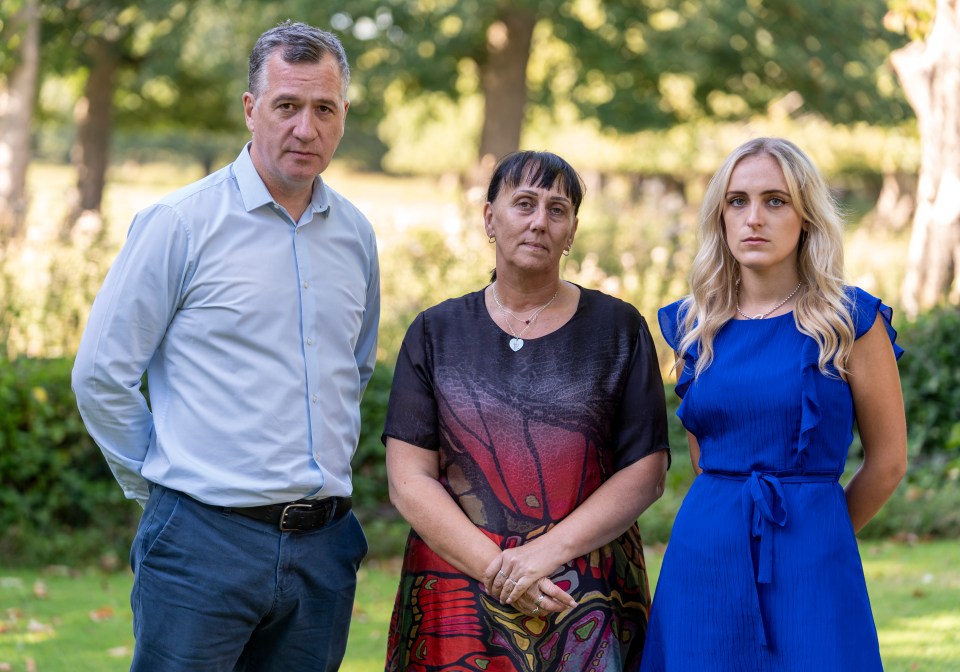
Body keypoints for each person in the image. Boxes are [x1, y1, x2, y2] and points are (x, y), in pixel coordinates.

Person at [71, 21, 379, 671]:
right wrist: (164, 490)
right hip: (199, 545)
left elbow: (355, 367)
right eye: (286, 106)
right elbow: (101, 375)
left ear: (344, 114)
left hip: (324, 552)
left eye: (324, 108)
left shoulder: (356, 235)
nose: (306, 128)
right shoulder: (179, 223)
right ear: (250, 110)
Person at [382, 150, 671, 671]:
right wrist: (498, 568)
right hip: (457, 594)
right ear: (490, 218)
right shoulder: (434, 333)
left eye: (557, 209)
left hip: (586, 596)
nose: (540, 221)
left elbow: (646, 472)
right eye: (524, 204)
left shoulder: (619, 330)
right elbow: (409, 481)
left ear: (572, 231)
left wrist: (542, 556)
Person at [639, 137, 907, 671]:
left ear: (806, 216)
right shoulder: (693, 326)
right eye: (737, 201)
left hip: (814, 559)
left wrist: (818, 530)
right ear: (720, 216)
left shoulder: (850, 320)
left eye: (775, 201)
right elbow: (702, 459)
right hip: (705, 557)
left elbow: (889, 462)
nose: (753, 218)